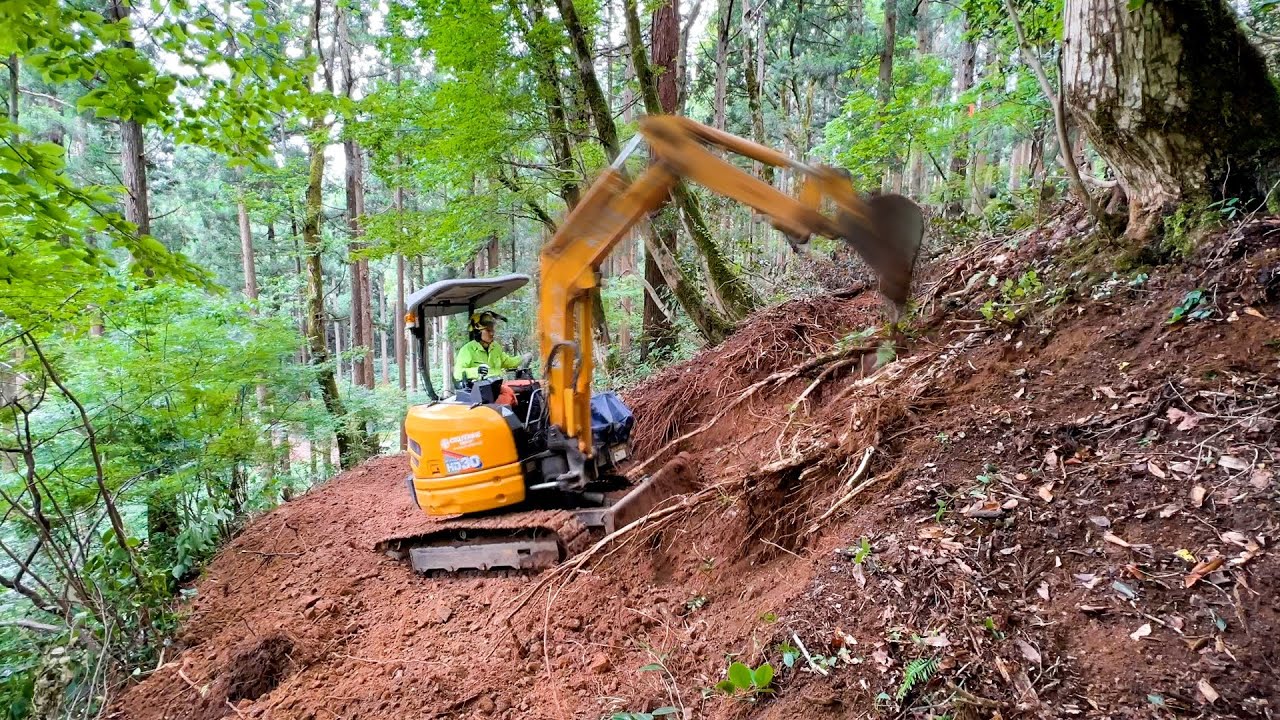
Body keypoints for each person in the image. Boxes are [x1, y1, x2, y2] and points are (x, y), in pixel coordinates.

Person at [454, 311, 531, 406]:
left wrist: (522, 359)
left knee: (530, 390)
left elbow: (507, 361)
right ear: (478, 332)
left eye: (492, 330)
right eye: (488, 331)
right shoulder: (467, 350)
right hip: (481, 391)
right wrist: (477, 371)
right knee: (507, 396)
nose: (492, 333)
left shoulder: (495, 347)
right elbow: (457, 373)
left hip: (497, 386)